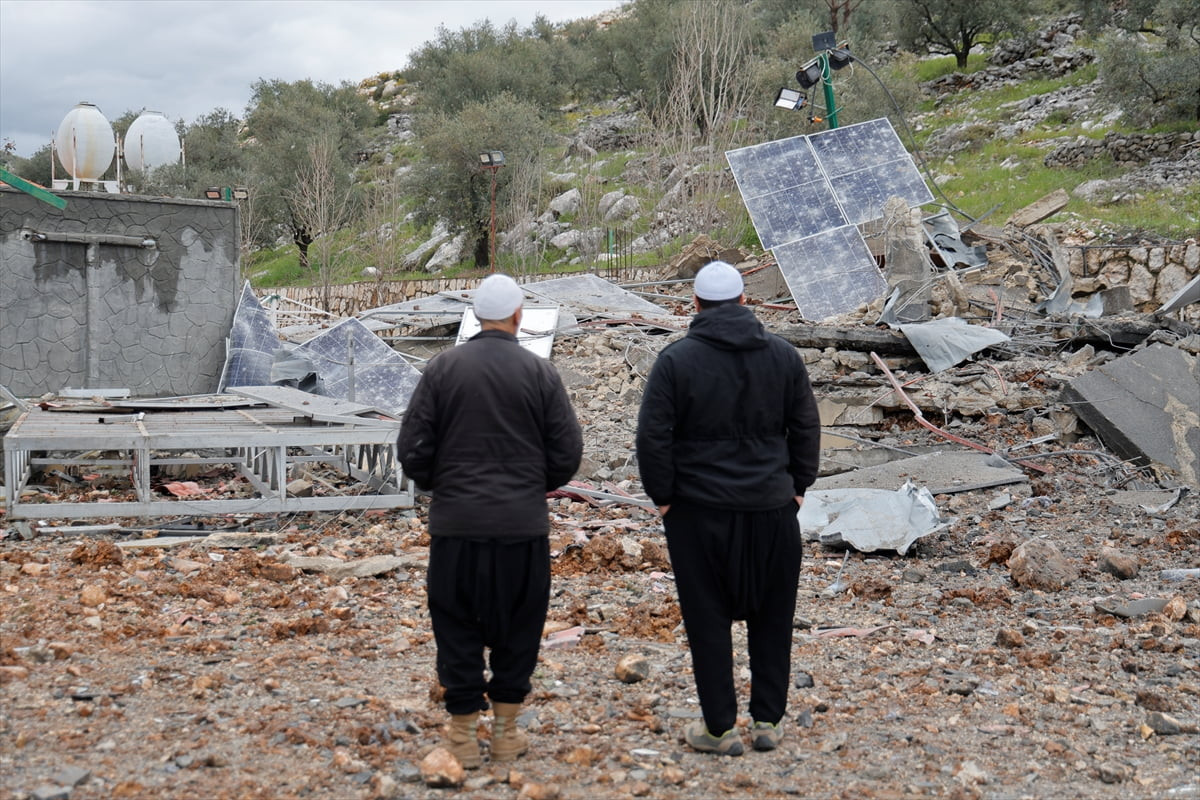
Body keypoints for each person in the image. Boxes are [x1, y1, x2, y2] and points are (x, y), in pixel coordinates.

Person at [635, 260, 820, 756]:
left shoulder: (676, 361)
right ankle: (767, 722)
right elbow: (805, 427)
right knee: (773, 616)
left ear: (694, 305)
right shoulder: (783, 357)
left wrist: (664, 497)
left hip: (697, 512)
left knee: (707, 619)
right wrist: (798, 487)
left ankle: (719, 728)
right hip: (771, 507)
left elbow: (652, 437)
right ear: (744, 302)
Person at [398, 273, 583, 768]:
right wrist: (527, 485)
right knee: (519, 626)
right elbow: (566, 455)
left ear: (476, 316)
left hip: (456, 527)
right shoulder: (540, 374)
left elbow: (412, 450)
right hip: (521, 528)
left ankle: (461, 738)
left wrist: (447, 487)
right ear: (518, 316)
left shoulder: (442, 369)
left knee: (456, 625)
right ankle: (504, 733)